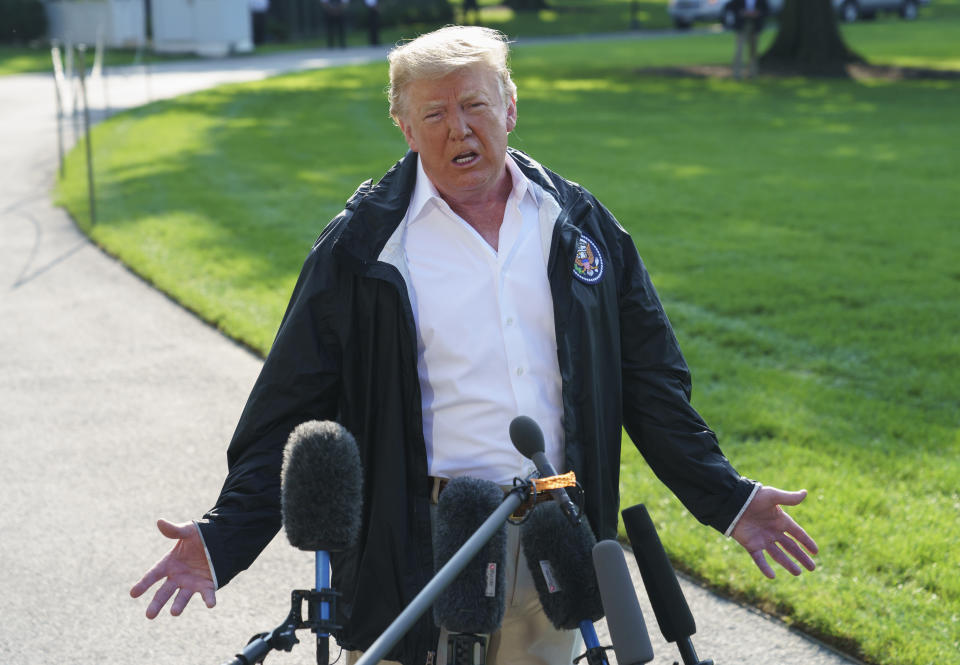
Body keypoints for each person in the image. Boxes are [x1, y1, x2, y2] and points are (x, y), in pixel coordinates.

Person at [131, 26, 819, 665]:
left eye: (474, 105)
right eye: (433, 114)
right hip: (420, 547)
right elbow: (288, 408)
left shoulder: (578, 225)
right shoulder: (365, 246)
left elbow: (650, 383)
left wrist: (725, 496)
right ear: (403, 126)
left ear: (510, 107)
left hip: (556, 541)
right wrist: (223, 539)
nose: (458, 128)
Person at [730, 0, 769, 79]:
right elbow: (731, 7)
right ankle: (736, 73)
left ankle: (752, 73)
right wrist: (742, 12)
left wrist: (757, 13)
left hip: (755, 26)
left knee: (753, 51)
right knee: (739, 50)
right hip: (741, 26)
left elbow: (766, 10)